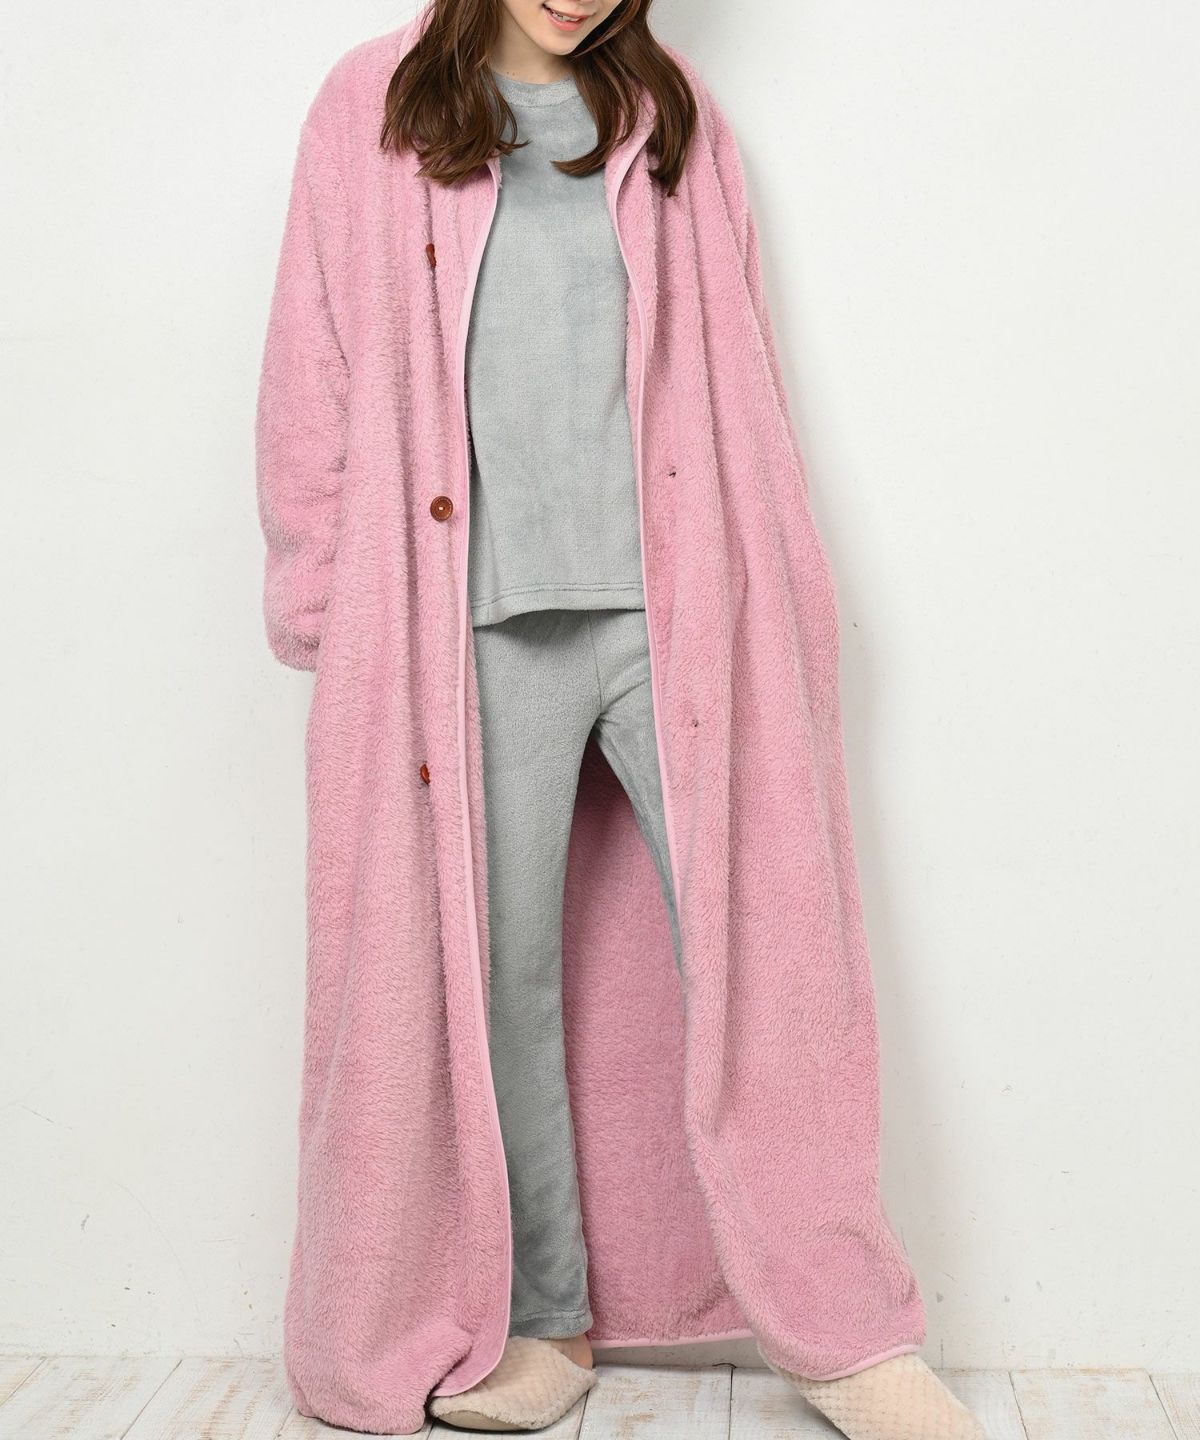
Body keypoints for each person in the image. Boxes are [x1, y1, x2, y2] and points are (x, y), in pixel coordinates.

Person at [256, 2, 990, 1437]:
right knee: (500, 982)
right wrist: (327, 602)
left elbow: (737, 373)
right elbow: (313, 363)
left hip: (678, 612)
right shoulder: (373, 105)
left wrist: (785, 587)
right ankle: (545, 1321)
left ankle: (847, 1336)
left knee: (772, 958)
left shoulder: (673, 118)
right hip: (467, 625)